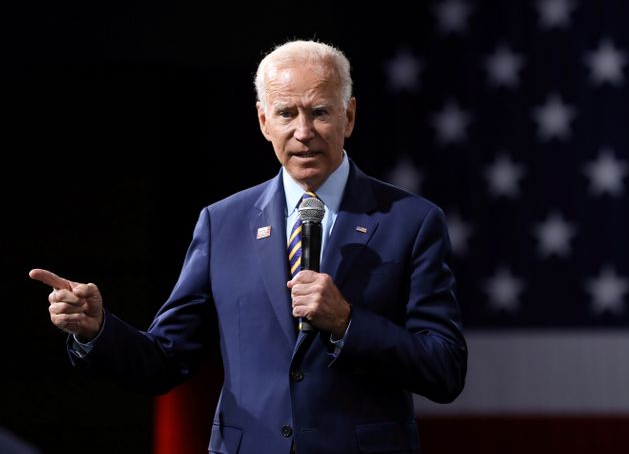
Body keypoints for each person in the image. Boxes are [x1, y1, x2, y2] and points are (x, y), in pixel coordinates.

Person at [30, 39, 467, 454]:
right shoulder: (223, 224)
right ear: (263, 121)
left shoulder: (411, 221)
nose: (303, 131)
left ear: (349, 116)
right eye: (285, 113)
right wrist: (98, 329)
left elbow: (445, 368)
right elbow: (165, 359)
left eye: (320, 112)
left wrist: (348, 322)